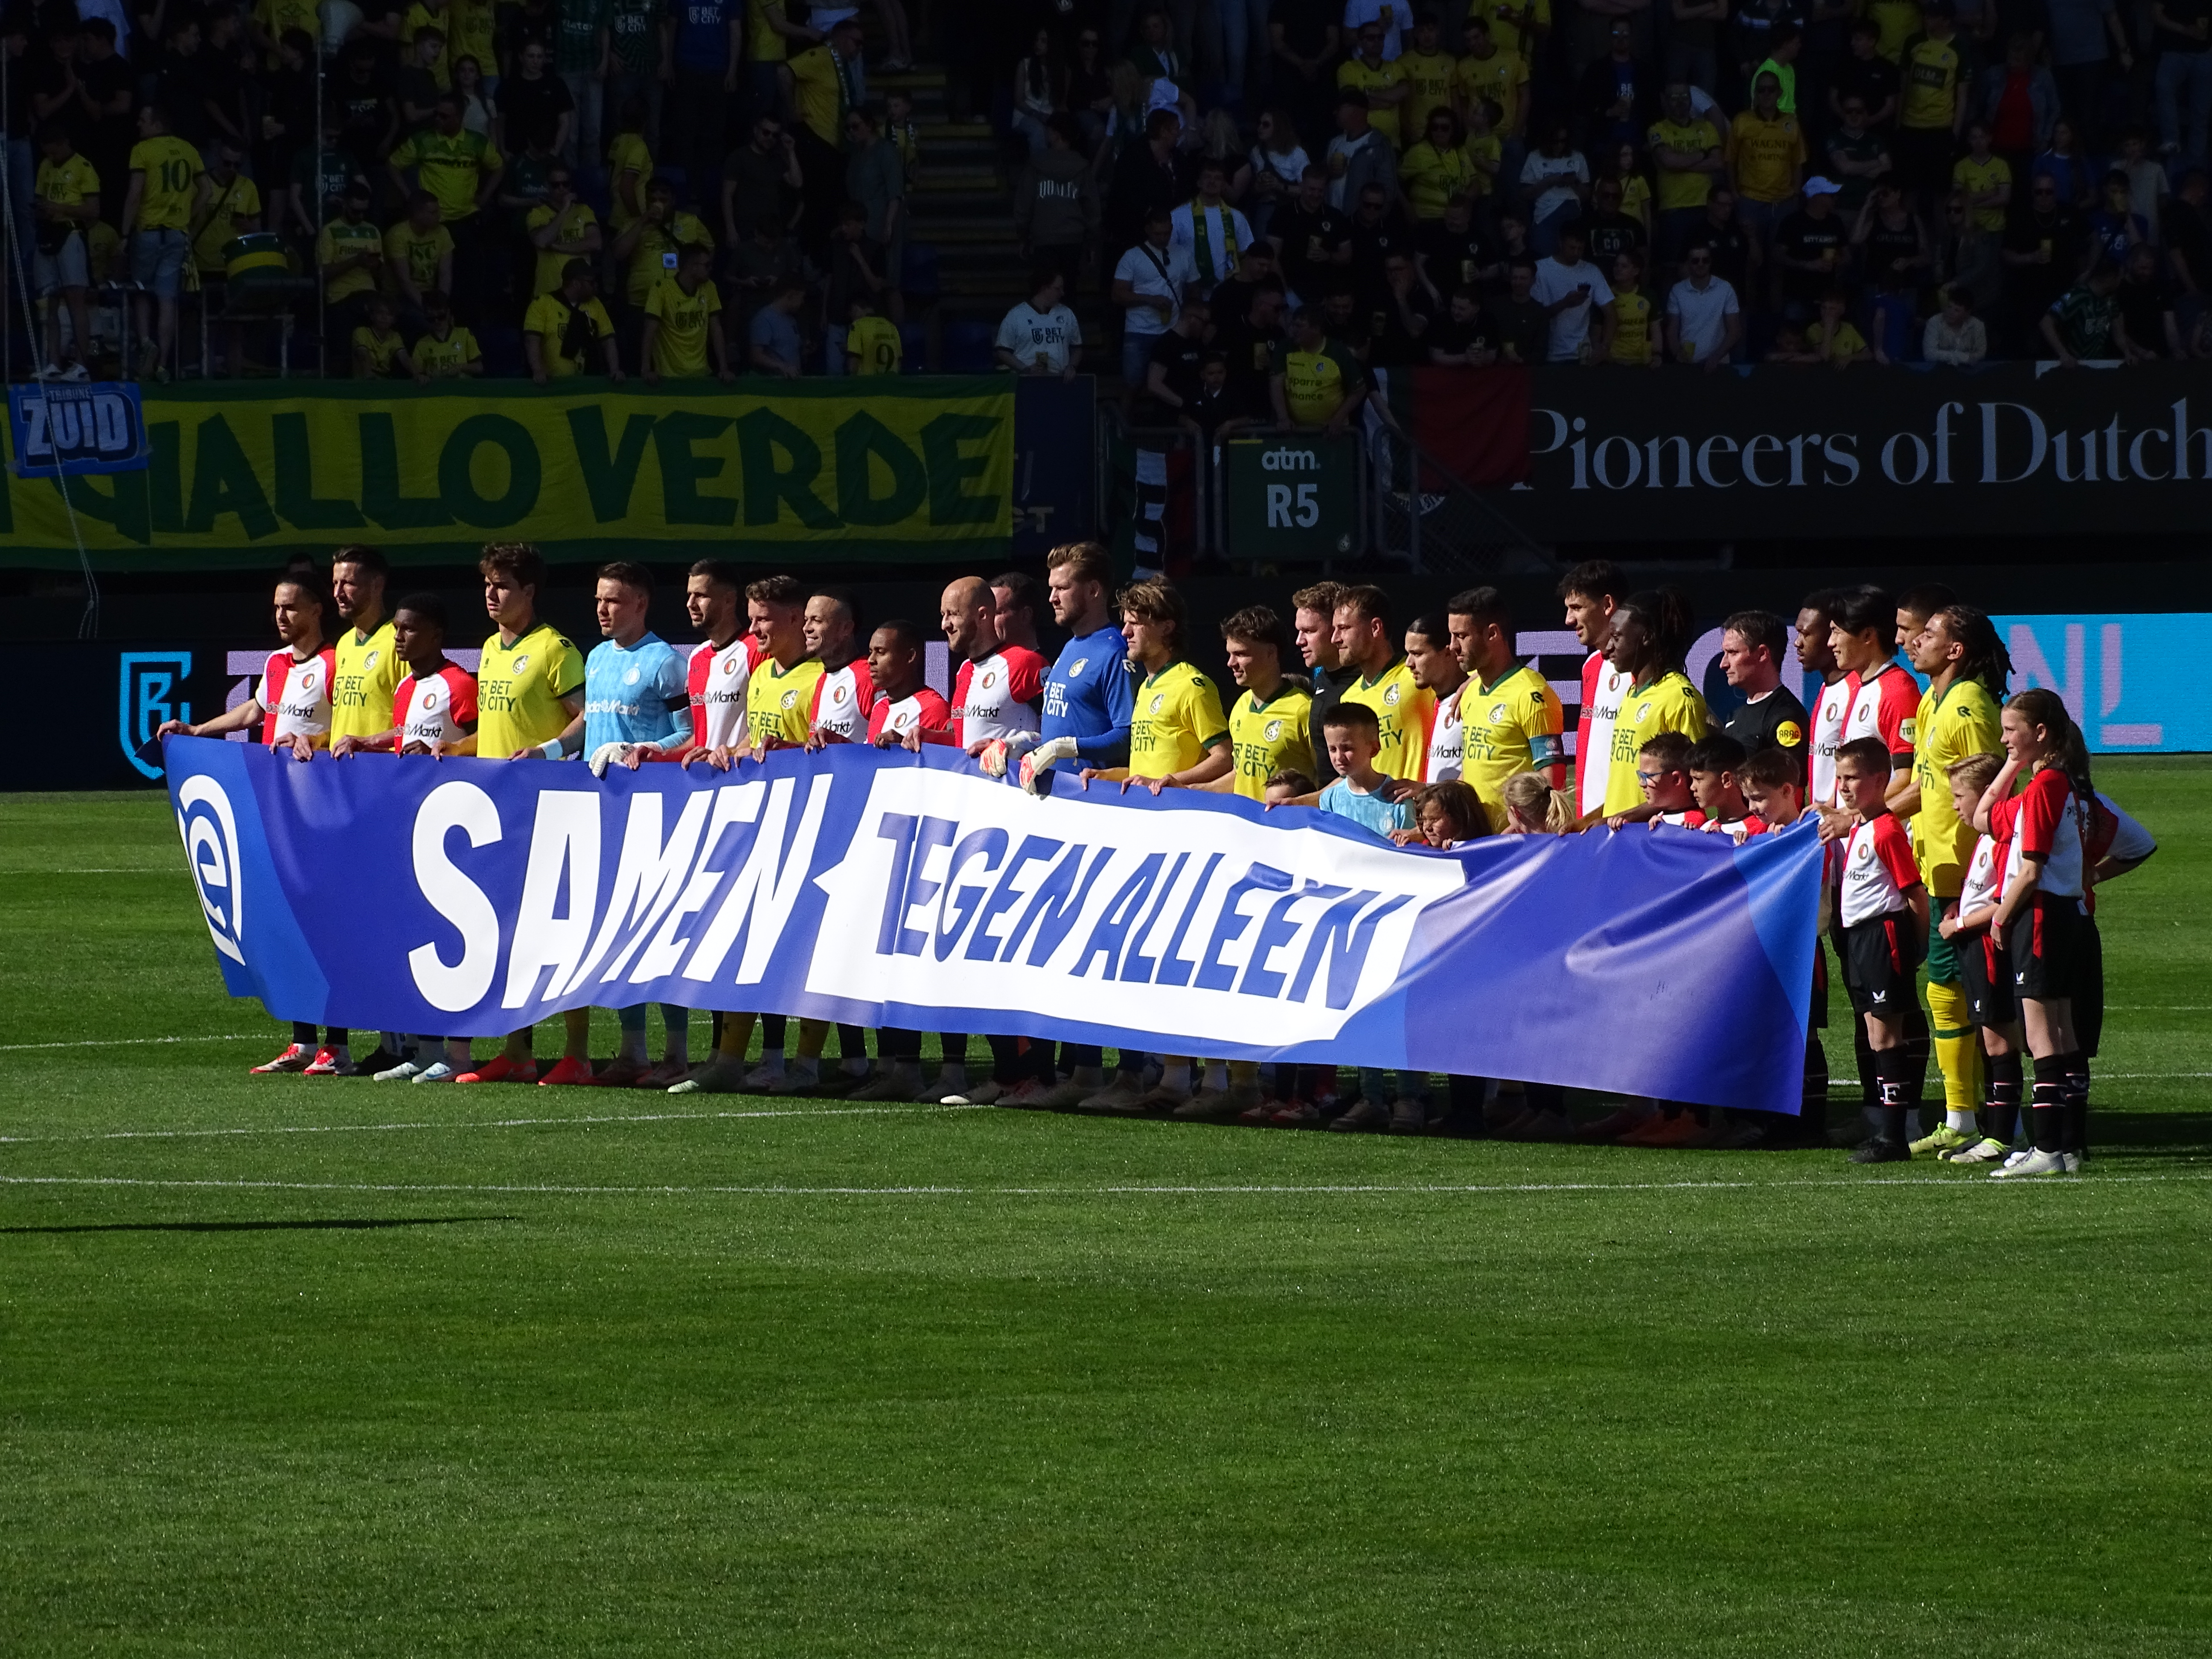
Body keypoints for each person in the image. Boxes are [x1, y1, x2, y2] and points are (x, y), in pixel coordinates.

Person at [156, 575, 346, 1074]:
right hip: (274, 807)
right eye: (277, 609)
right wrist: (198, 730)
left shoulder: (334, 664)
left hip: (321, 810)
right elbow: (257, 710)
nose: (281, 617)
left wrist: (321, 742)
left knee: (327, 924)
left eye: (291, 608)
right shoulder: (277, 663)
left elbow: (349, 726)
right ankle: (303, 1041)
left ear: (316, 610)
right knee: (285, 921)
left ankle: (338, 1044)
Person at [1074, 578, 1230, 1116]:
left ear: (1166, 626)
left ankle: (1214, 1082)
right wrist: (1107, 772)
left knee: (1194, 960)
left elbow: (1222, 759)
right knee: (1158, 960)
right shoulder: (1147, 687)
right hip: (1148, 843)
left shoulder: (1193, 684)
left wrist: (1179, 783)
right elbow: (1149, 769)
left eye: (1135, 623)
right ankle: (1171, 1077)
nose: (1125, 631)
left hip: (1186, 843)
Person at [451, 544, 588, 1087]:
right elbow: (498, 728)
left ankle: (577, 1053)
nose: (491, 593)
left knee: (560, 930)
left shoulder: (555, 649)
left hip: (548, 807)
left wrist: (547, 753)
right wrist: (455, 750)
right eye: (487, 583)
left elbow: (586, 721)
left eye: (503, 585)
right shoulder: (489, 648)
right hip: (497, 810)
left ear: (529, 592)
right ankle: (518, 1050)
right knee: (509, 932)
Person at [1011, 542, 1138, 1111]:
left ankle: (1132, 1072)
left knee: (1115, 944)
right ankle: (1085, 1068)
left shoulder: (1114, 653)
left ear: (1093, 591)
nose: (1052, 596)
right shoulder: (1067, 651)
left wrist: (1069, 746)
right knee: (1072, 944)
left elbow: (1130, 734)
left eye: (1062, 587)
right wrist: (1022, 746)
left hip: (1105, 818)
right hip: (1061, 819)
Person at [1892, 602, 2007, 1157]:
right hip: (1938, 868)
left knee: (1972, 994)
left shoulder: (1966, 706)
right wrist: (1869, 813)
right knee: (1952, 991)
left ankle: (1985, 1119)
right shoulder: (1932, 700)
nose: (1916, 642)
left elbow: (1993, 789)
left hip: (1968, 875)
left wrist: (1991, 868)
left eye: (1928, 634)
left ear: (1955, 650)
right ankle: (1967, 1116)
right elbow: (1929, 785)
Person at [1975, 688, 2095, 1176]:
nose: (2003, 738)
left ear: (2039, 732)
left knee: (2042, 1034)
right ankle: (2062, 1147)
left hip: (2040, 915)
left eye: (2011, 731)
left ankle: (2046, 1150)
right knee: (2061, 1031)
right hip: (2061, 913)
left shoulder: (2046, 786)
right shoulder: (2051, 782)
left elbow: (2029, 869)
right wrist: (2011, 763)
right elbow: (1983, 818)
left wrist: (2002, 915)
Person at [1312, 701, 1418, 1132]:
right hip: (1351, 921)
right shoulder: (1331, 797)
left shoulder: (1397, 797)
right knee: (1359, 1009)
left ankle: (1410, 1097)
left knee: (1400, 1008)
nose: (1340, 758)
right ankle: (1371, 1096)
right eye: (1334, 749)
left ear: (1373, 747)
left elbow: (1414, 847)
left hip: (1396, 919)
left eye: (1349, 749)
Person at [1827, 733, 1931, 1165]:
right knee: (1873, 1031)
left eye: (1853, 778)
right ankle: (1888, 1129)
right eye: (1840, 778)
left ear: (1880, 780)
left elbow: (1914, 894)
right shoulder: (1861, 827)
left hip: (1882, 935)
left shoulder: (1887, 829)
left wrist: (1917, 943)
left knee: (1887, 1034)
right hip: (1858, 937)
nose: (1844, 787)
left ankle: (1894, 1134)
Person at [1937, 752, 2023, 1163]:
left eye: (1960, 795)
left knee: (1999, 1040)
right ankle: (2002, 1130)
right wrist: (1960, 909)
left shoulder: (2004, 838)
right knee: (1991, 1039)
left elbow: (2006, 898)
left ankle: (2004, 1135)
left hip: (1987, 946)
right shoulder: (1987, 837)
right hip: (1974, 943)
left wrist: (1962, 922)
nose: (1955, 804)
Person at [1449, 586, 1566, 828]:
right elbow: (1474, 769)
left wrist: (1524, 828)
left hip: (1515, 842)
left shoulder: (1532, 693)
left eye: (1461, 636)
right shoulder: (1472, 690)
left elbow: (1552, 780)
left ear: (1492, 633)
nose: (1452, 646)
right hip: (1476, 837)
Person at [1598, 588, 1710, 824]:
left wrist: (1630, 817)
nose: (1608, 648)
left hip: (1654, 835)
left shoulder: (1679, 697)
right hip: (1621, 831)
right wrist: (1592, 820)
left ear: (1647, 637)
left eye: (1617, 638)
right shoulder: (1632, 694)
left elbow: (1694, 786)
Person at [119, 102, 208, 380]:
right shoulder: (189, 150)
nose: (138, 125)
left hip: (148, 231)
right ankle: (162, 366)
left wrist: (124, 234)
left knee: (143, 290)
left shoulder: (143, 150)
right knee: (168, 298)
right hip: (176, 233)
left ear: (158, 124)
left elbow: (135, 194)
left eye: (143, 120)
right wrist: (187, 218)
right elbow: (207, 191)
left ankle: (147, 343)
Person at [1333, 584, 1432, 783]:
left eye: (1343, 628)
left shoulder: (1417, 676)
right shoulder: (1348, 699)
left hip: (1418, 809)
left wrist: (1469, 682)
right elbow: (1349, 780)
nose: (1335, 639)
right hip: (1369, 812)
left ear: (1375, 628)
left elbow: (1478, 677)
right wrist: (1299, 802)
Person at [1558, 560, 1630, 823]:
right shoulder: (1591, 665)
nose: (1568, 620)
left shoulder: (1642, 669)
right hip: (1590, 823)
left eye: (1577, 608)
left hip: (1626, 826)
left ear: (1608, 605)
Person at [1718, 609, 1807, 766]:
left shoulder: (1786, 716)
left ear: (1762, 654)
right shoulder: (1736, 716)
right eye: (1725, 653)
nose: (1723, 664)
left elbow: (1790, 788)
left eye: (1732, 653)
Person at [1270, 304, 1369, 433]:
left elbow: (1359, 390)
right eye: (1293, 325)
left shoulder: (1338, 352)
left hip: (1329, 432)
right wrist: (1283, 419)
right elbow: (1276, 383)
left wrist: (1337, 420)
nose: (1293, 330)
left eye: (1300, 326)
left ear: (1316, 329)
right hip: (1294, 431)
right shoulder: (1285, 348)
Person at [524, 258, 623, 379]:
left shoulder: (595, 304)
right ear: (576, 284)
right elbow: (532, 341)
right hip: (554, 383)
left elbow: (608, 340)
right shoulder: (542, 304)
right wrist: (538, 370)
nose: (596, 285)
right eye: (591, 282)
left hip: (589, 382)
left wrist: (615, 369)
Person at [1403, 613, 1469, 783]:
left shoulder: (1472, 699)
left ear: (1449, 653)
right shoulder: (1433, 701)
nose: (1408, 663)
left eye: (1417, 654)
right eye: (1408, 654)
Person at [1663, 240, 1742, 365]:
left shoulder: (1725, 289)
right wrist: (1678, 355)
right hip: (1687, 365)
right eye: (1696, 261)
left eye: (1706, 260)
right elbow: (1672, 330)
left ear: (1711, 262)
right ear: (1688, 264)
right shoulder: (1678, 291)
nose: (1701, 264)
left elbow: (1735, 331)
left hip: (1719, 365)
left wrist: (1715, 359)